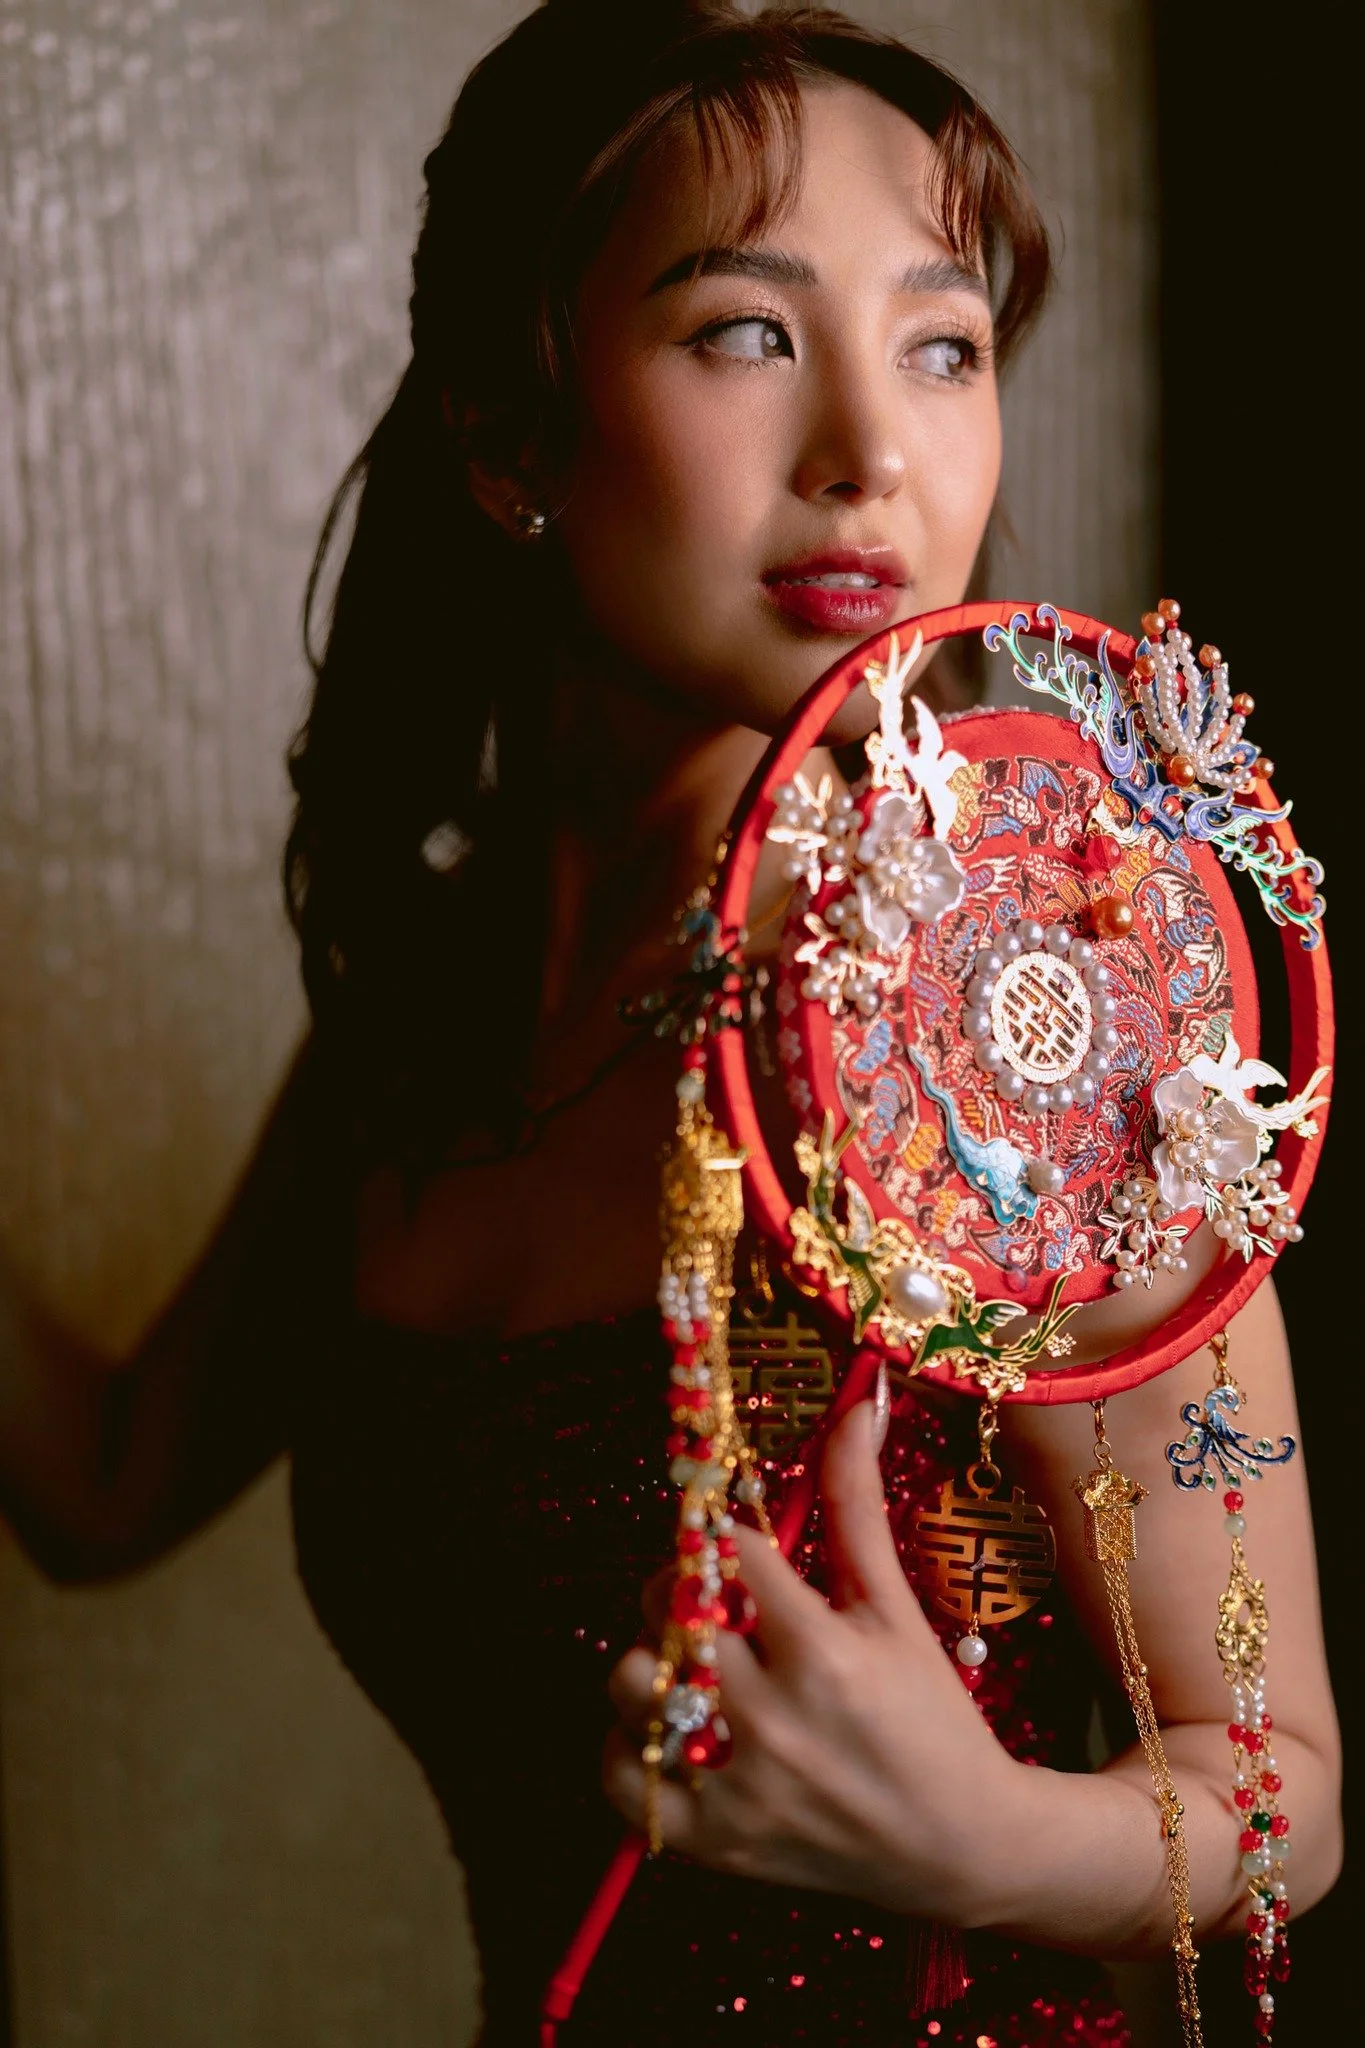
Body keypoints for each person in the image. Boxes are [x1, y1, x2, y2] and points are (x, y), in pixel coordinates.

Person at [0, 5, 1341, 2043]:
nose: (872, 452)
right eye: (745, 331)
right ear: (506, 435)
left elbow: (1279, 1793)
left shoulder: (1024, 1020)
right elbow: (107, 1476)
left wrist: (981, 1835)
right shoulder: (430, 1010)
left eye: (944, 345)